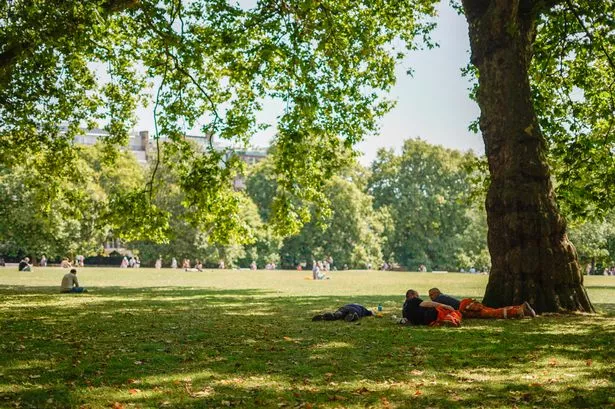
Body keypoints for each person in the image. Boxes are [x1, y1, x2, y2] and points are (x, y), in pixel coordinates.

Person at [427, 288, 536, 319]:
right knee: (492, 310)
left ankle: (517, 311)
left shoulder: (438, 299)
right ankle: (519, 308)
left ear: (435, 293)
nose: (430, 298)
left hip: (466, 308)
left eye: (431, 295)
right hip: (467, 304)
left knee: (492, 313)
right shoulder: (443, 296)